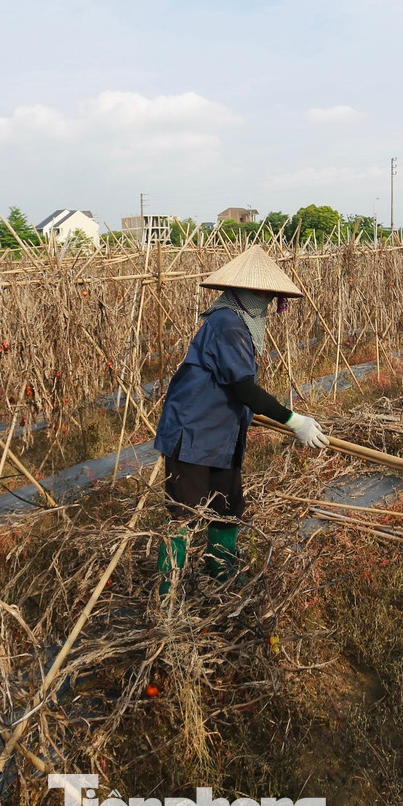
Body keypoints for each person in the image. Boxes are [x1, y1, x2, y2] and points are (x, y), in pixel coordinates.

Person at [153, 246, 328, 593]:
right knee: (184, 516)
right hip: (192, 434)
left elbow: (236, 390)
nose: (269, 303)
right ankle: (168, 596)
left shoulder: (235, 324)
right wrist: (294, 421)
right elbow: (244, 389)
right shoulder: (228, 325)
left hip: (221, 436)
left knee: (226, 508)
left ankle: (221, 578)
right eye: (265, 295)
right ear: (247, 293)